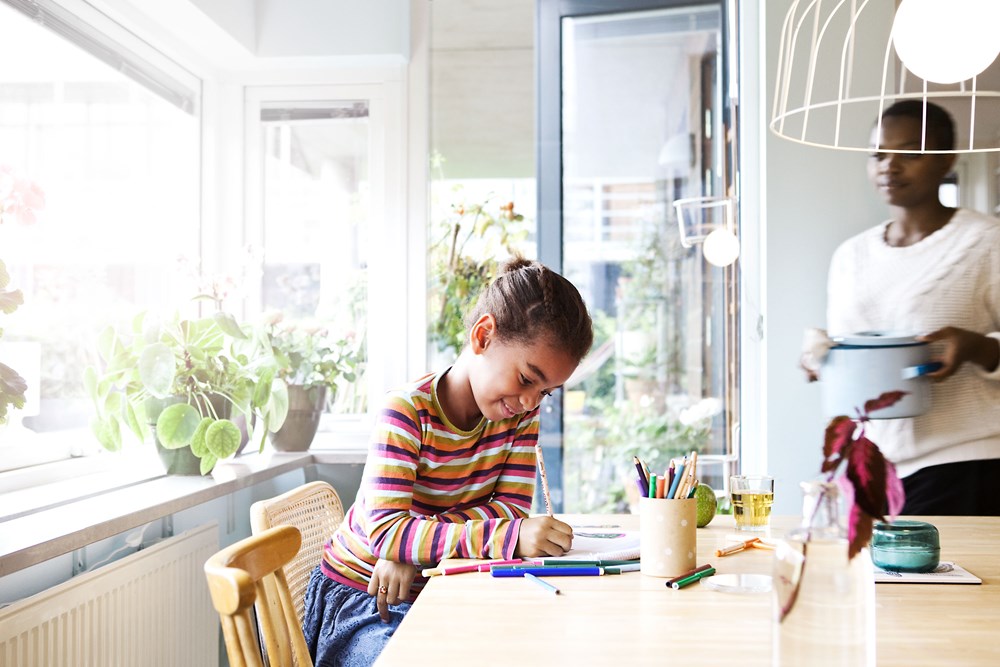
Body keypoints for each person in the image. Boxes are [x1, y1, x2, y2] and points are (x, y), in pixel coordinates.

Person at [303, 257, 594, 666]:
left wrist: (413, 544)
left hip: (444, 589)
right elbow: (386, 535)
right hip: (366, 600)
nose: (531, 402)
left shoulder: (518, 416)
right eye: (527, 379)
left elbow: (511, 509)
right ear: (484, 336)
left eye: (546, 392)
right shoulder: (406, 412)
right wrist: (506, 536)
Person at [812, 99, 1000, 515]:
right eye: (879, 153)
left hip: (965, 463)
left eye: (909, 153)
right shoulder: (850, 256)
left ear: (946, 159)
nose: (889, 165)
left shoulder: (987, 243)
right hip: (875, 468)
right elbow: (853, 355)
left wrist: (975, 346)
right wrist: (823, 359)